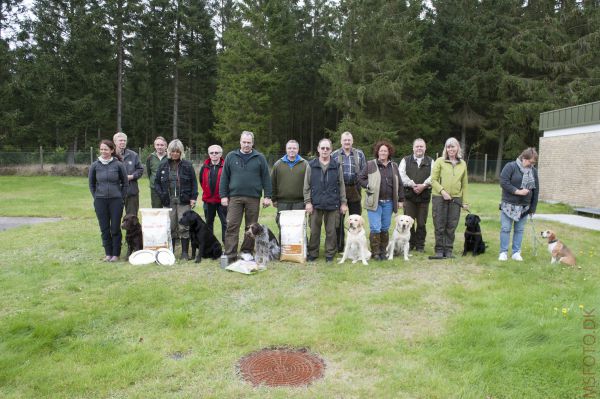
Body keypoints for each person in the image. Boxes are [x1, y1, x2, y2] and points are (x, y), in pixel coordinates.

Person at [219, 131, 272, 261]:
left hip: (253, 198)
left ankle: (246, 251)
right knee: (232, 225)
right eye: (244, 142)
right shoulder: (231, 156)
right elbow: (224, 177)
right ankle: (230, 253)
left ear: (252, 143)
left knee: (251, 226)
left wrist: (267, 196)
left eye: (249, 142)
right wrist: (223, 195)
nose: (246, 145)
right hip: (235, 198)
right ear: (240, 142)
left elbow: (266, 178)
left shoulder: (260, 158)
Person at [358, 140, 404, 260]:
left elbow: (400, 183)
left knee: (385, 227)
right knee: (375, 227)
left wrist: (400, 200)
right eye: (381, 150)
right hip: (374, 202)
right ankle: (376, 252)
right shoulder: (370, 164)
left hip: (389, 202)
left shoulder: (394, 166)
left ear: (389, 153)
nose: (383, 152)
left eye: (385, 151)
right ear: (377, 152)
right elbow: (360, 178)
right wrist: (368, 185)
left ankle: (383, 251)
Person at [304, 138, 348, 262]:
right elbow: (306, 185)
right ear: (318, 149)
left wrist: (343, 203)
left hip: (332, 203)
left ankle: (329, 254)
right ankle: (313, 253)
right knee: (314, 231)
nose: (324, 150)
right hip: (315, 204)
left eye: (327, 148)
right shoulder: (311, 165)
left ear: (331, 150)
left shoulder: (336, 165)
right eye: (322, 148)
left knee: (331, 231)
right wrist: (308, 202)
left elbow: (341, 185)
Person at [154, 139, 198, 260]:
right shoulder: (163, 165)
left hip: (184, 200)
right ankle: (171, 252)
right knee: (171, 226)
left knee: (184, 226)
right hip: (169, 201)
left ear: (181, 152)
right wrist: (162, 194)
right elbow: (156, 182)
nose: (175, 154)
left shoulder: (187, 165)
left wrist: (193, 198)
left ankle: (184, 253)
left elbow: (194, 183)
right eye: (173, 151)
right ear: (169, 152)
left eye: (177, 152)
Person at [429, 137, 469, 259]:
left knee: (452, 225)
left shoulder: (462, 164)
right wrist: (442, 191)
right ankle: (439, 250)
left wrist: (465, 202)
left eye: (453, 146)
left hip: (456, 199)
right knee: (439, 224)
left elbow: (465, 184)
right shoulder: (439, 161)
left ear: (458, 148)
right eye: (448, 146)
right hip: (439, 198)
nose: (451, 149)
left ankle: (449, 250)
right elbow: (433, 180)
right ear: (446, 149)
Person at [88, 140, 128, 262]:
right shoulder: (95, 165)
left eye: (106, 149)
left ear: (112, 150)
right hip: (100, 201)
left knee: (115, 228)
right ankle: (108, 253)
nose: (103, 151)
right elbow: (91, 184)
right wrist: (96, 197)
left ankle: (116, 254)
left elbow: (125, 183)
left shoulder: (118, 165)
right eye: (101, 149)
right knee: (104, 228)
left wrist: (121, 197)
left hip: (116, 201)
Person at [498, 147, 539, 261]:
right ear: (524, 158)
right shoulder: (510, 167)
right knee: (505, 228)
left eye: (533, 163)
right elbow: (503, 182)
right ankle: (503, 252)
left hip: (524, 207)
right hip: (508, 204)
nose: (532, 165)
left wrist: (533, 207)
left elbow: (536, 190)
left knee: (519, 230)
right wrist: (517, 191)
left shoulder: (533, 171)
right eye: (531, 162)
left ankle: (516, 252)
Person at [331, 131, 366, 252]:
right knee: (339, 220)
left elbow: (364, 172)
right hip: (340, 190)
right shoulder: (334, 155)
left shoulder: (359, 154)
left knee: (356, 219)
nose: (347, 142)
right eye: (344, 140)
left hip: (355, 189)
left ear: (352, 141)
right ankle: (340, 247)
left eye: (349, 140)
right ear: (341, 141)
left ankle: (357, 246)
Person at [399, 138, 433, 253]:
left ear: (425, 148)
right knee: (408, 222)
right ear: (413, 148)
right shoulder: (405, 160)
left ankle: (420, 245)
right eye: (417, 146)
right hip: (409, 197)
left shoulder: (431, 161)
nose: (419, 148)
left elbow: (434, 176)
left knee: (422, 222)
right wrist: (413, 185)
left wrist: (424, 185)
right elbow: (401, 175)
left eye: (421, 146)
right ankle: (410, 243)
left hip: (424, 197)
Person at [271, 140, 309, 226]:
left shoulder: (305, 164)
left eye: (294, 148)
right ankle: (282, 240)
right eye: (289, 148)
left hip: (300, 203)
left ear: (298, 149)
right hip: (282, 203)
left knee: (299, 227)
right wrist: (273, 199)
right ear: (286, 149)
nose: (292, 150)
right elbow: (273, 183)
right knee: (283, 227)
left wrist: (308, 201)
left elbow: (309, 184)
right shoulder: (278, 164)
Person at [199, 144, 227, 243]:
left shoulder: (226, 166)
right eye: (212, 153)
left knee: (225, 223)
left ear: (221, 154)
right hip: (208, 201)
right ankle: (210, 243)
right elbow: (201, 181)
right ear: (209, 154)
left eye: (216, 153)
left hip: (222, 201)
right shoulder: (204, 167)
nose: (214, 154)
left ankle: (226, 243)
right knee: (209, 223)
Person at [113, 132, 144, 216]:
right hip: (115, 192)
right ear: (115, 142)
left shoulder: (133, 155)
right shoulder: (110, 155)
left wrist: (132, 176)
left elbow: (140, 169)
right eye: (120, 140)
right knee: (114, 216)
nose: (123, 142)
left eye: (124, 140)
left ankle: (131, 230)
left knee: (132, 218)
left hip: (131, 191)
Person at [146, 136, 168, 208]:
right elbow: (149, 173)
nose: (160, 147)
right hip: (155, 188)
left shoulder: (170, 157)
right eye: (157, 145)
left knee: (169, 210)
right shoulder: (150, 157)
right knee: (156, 209)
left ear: (166, 146)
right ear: (155, 146)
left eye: (162, 145)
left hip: (168, 187)